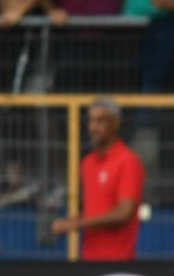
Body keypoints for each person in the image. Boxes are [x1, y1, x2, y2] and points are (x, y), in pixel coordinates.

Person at [52, 98, 146, 261]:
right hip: (89, 257)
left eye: (100, 121)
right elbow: (94, 210)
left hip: (118, 259)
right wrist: (69, 221)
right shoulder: (87, 163)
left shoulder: (128, 161)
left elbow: (124, 213)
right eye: (90, 121)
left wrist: (76, 224)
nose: (92, 127)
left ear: (115, 123)